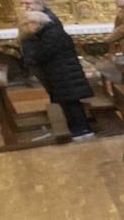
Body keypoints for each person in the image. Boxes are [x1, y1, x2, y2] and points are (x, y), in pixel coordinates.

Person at [19, 11, 95, 140]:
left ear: (36, 23)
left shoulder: (53, 34)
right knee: (67, 101)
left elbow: (44, 54)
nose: (27, 28)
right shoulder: (48, 33)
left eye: (27, 24)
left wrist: (33, 56)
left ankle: (82, 130)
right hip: (61, 72)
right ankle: (77, 129)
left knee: (71, 102)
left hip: (65, 73)